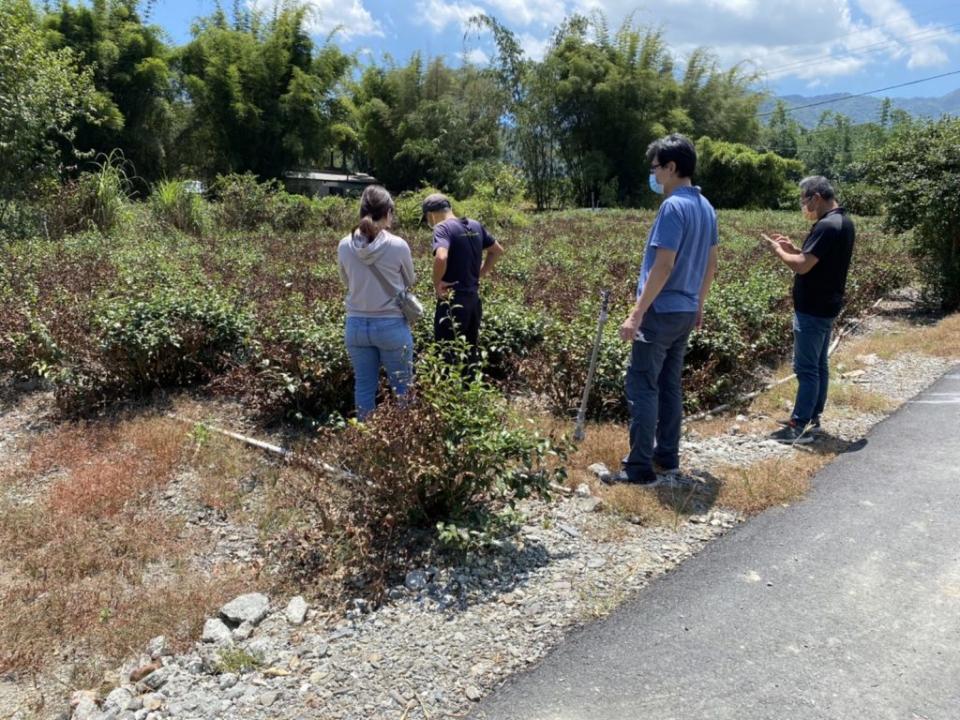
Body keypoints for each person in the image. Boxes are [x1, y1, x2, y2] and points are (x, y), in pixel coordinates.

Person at [603, 134, 719, 487]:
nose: (654, 176)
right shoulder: (706, 207)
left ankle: (638, 468)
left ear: (671, 167)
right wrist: (698, 305)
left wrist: (636, 313)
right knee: (669, 384)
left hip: (660, 311)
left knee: (642, 384)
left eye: (655, 168)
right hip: (685, 311)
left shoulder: (673, 207)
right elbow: (711, 264)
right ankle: (666, 457)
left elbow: (663, 265)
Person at [763, 175, 855, 444]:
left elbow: (802, 265)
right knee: (819, 365)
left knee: (806, 368)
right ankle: (813, 418)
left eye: (805, 200)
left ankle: (799, 424)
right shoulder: (843, 221)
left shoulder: (827, 225)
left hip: (813, 307)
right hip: (827, 304)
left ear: (816, 197)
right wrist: (795, 248)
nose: (804, 205)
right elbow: (814, 258)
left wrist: (779, 251)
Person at [337, 185, 416, 420]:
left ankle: (367, 441)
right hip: (391, 326)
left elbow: (346, 282)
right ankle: (405, 443)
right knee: (403, 389)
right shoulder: (398, 245)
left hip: (356, 327)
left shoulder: (344, 245)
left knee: (363, 387)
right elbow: (409, 279)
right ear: (388, 212)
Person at [422, 193, 504, 364]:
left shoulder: (442, 228)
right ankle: (469, 389)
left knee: (447, 356)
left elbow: (441, 257)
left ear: (431, 215)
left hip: (453, 303)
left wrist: (437, 284)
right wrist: (479, 273)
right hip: (473, 301)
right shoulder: (475, 225)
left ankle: (450, 390)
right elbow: (497, 250)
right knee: (469, 354)